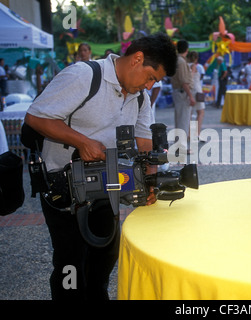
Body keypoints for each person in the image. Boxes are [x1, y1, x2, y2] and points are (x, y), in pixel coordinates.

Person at [24, 33, 177, 300]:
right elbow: (36, 117)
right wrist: (82, 142)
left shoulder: (140, 97)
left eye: (155, 81)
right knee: (70, 261)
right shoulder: (84, 75)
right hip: (64, 185)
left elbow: (144, 142)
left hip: (109, 183)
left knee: (105, 253)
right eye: (151, 77)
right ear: (137, 59)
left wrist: (151, 182)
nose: (150, 85)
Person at [170, 40, 195, 153]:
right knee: (183, 121)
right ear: (187, 49)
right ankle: (181, 147)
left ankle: (179, 145)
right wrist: (190, 95)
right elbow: (184, 81)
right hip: (182, 92)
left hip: (178, 91)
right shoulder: (181, 61)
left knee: (180, 119)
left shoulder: (176, 60)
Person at [187, 51, 205, 141]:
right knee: (200, 112)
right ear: (196, 58)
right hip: (196, 90)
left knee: (189, 113)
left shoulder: (186, 65)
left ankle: (189, 133)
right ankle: (197, 134)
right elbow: (191, 77)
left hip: (190, 91)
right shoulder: (193, 66)